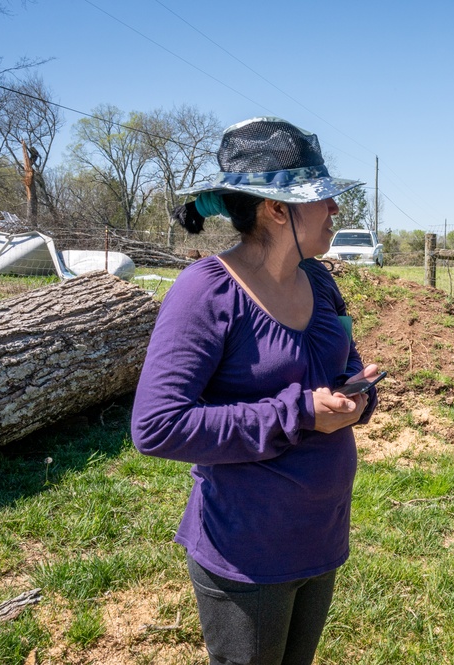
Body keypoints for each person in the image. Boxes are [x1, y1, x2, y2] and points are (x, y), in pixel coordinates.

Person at [131, 117, 380, 665]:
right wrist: (300, 414)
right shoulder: (206, 291)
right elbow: (156, 426)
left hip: (321, 535)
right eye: (323, 199)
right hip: (247, 551)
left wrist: (357, 395)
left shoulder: (320, 280)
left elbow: (343, 359)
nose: (336, 210)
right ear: (276, 208)